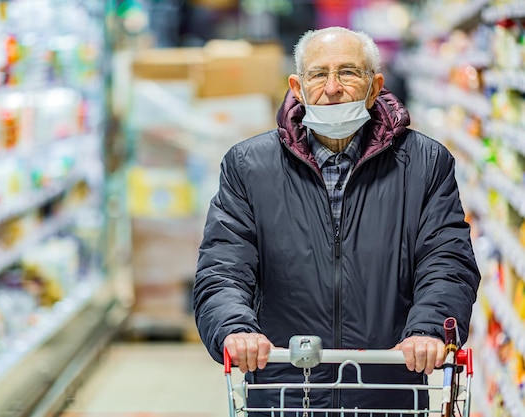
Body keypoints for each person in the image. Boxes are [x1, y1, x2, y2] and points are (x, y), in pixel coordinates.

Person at [192, 26, 481, 414]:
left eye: (348, 72)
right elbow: (223, 267)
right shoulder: (248, 167)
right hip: (284, 392)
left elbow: (446, 263)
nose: (332, 88)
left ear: (374, 86)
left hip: (387, 391)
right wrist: (236, 329)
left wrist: (427, 331)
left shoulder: (426, 164)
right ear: (297, 86)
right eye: (318, 74)